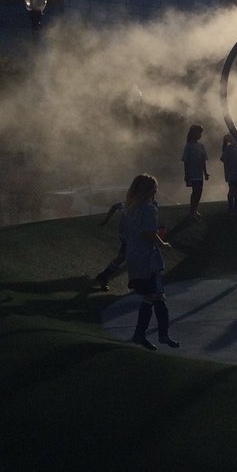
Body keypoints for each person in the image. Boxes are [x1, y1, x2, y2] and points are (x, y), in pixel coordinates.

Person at [122, 173, 178, 350]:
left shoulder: (130, 210)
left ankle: (143, 334)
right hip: (147, 258)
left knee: (151, 296)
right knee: (158, 296)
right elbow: (149, 232)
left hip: (134, 257)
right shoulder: (148, 209)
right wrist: (163, 244)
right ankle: (162, 334)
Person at [93, 200, 125, 291]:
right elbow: (115, 207)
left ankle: (104, 276)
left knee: (121, 257)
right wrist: (106, 220)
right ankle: (104, 276)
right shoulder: (135, 204)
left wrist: (106, 220)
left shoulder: (134, 203)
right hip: (130, 237)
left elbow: (115, 207)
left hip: (127, 236)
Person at [181, 123, 209, 218]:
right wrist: (186, 175)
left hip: (199, 173)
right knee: (195, 191)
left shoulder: (201, 146)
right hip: (192, 173)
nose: (200, 135)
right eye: (198, 133)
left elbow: (203, 160)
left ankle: (195, 209)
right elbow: (186, 161)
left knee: (199, 191)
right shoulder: (189, 146)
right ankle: (192, 211)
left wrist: (205, 172)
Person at [220, 134, 237, 215]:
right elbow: (223, 159)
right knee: (232, 190)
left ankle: (236, 208)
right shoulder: (228, 149)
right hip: (232, 172)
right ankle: (231, 208)